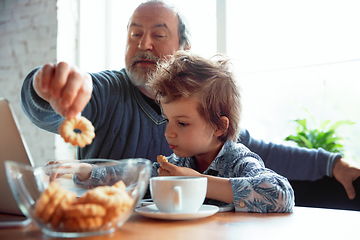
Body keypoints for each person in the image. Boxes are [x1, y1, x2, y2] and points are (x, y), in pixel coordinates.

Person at [20, 1, 359, 207]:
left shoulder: (217, 141)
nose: (144, 44)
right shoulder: (108, 90)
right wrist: (46, 88)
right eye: (134, 33)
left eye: (159, 33)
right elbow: (137, 173)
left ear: (183, 47)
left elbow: (269, 167)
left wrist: (332, 164)